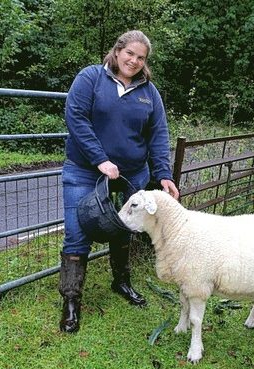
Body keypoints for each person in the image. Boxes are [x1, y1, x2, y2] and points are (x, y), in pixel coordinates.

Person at [59, 30, 180, 333]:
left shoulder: (148, 92)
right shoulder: (91, 78)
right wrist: (99, 158)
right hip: (85, 171)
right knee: (76, 233)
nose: (135, 61)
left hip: (131, 174)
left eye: (141, 58)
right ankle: (71, 300)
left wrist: (163, 174)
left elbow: (158, 134)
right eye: (130, 54)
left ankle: (121, 283)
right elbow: (76, 117)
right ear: (117, 51)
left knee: (125, 228)